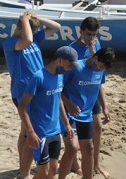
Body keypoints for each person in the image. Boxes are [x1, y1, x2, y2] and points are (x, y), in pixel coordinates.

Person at [4, 10, 61, 179]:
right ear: (21, 27)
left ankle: (24, 171)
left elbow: (56, 27)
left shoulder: (34, 37)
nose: (35, 33)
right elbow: (27, 39)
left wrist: (36, 18)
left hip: (38, 90)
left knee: (25, 132)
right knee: (29, 132)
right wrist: (24, 19)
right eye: (31, 29)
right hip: (23, 93)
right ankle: (25, 173)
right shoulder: (11, 43)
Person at [18, 46, 77, 179]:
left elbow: (59, 100)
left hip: (55, 131)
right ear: (60, 60)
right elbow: (22, 106)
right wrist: (31, 132)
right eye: (70, 65)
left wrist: (66, 124)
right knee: (43, 173)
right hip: (40, 133)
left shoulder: (60, 76)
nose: (71, 68)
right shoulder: (38, 77)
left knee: (52, 171)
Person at [58, 47, 114, 179]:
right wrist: (68, 104)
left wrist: (105, 107)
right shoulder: (76, 67)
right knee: (72, 149)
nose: (101, 70)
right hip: (69, 113)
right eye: (100, 66)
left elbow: (99, 85)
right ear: (95, 58)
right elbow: (57, 88)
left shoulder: (101, 69)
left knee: (89, 149)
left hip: (86, 115)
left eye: (103, 68)